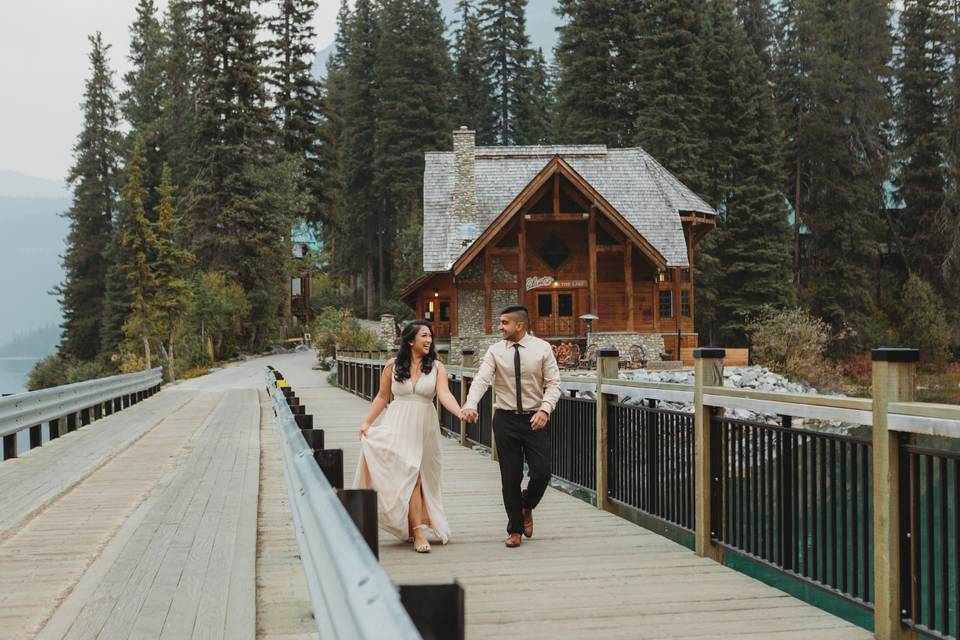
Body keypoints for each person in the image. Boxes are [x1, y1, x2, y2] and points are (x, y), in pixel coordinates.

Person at [353, 320, 461, 553]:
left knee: (423, 477)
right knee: (410, 474)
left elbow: (444, 394)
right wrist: (367, 422)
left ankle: (415, 526)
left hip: (425, 427)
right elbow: (382, 397)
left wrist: (460, 412)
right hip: (397, 424)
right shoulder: (392, 366)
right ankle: (418, 532)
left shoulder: (437, 367)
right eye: (424, 336)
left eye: (430, 336)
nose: (429, 340)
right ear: (411, 340)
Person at [462, 305, 561, 547]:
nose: (499, 327)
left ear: (520, 325)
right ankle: (514, 529)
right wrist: (470, 403)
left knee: (541, 473)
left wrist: (545, 409)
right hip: (505, 419)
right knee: (510, 476)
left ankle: (526, 505)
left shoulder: (542, 349)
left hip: (534, 419)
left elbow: (554, 383)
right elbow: (482, 379)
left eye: (504, 322)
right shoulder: (495, 351)